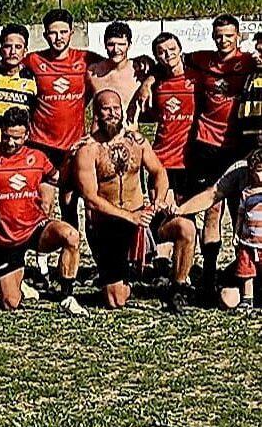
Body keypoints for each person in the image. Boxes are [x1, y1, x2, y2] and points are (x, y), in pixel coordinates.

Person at [0, 108, 87, 315]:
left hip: (35, 228)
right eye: (7, 137)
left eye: (17, 138)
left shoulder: (37, 157)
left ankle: (67, 296)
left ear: (27, 135)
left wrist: (72, 157)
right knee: (11, 304)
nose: (11, 143)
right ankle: (5, 276)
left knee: (71, 236)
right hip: (5, 239)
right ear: (1, 131)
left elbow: (61, 179)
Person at [74, 91, 177, 311]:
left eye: (116, 108)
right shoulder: (88, 150)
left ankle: (178, 284)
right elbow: (91, 198)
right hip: (107, 223)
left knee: (185, 227)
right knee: (115, 301)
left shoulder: (137, 141)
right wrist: (129, 216)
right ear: (96, 114)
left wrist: (157, 201)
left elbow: (159, 172)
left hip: (140, 216)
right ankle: (121, 275)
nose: (112, 113)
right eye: (105, 109)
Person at [186, 14, 253, 300]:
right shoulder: (202, 60)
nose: (223, 40)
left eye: (228, 35)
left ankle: (245, 272)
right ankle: (209, 275)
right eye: (218, 35)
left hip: (240, 146)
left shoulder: (249, 62)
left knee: (244, 211)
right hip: (207, 143)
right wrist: (149, 77)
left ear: (238, 36)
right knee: (212, 209)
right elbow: (170, 61)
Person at [24, 9, 102, 228]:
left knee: (70, 202)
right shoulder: (33, 61)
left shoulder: (86, 59)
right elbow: (5, 68)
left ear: (72, 32)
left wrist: (146, 67)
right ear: (45, 35)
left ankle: (71, 253)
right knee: (43, 203)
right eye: (52, 33)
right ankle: (42, 258)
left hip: (73, 145)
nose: (58, 38)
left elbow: (117, 66)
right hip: (41, 143)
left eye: (63, 32)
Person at [173, 148, 262, 309]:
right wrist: (181, 209)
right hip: (252, 254)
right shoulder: (242, 169)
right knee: (228, 298)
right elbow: (212, 194)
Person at [128, 33, 199, 204]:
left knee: (184, 218)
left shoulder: (196, 79)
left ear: (180, 50)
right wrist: (146, 83)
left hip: (188, 161)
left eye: (172, 49)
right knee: (159, 213)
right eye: (162, 52)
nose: (168, 54)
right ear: (156, 57)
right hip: (161, 159)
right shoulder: (156, 84)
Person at [85, 22, 148, 110]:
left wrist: (148, 83)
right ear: (105, 45)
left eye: (121, 44)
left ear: (129, 45)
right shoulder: (93, 72)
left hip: (128, 124)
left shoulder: (140, 71)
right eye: (111, 44)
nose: (116, 49)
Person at [238, 31, 262, 147]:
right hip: (249, 145)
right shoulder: (252, 75)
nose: (255, 55)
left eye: (261, 51)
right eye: (257, 50)